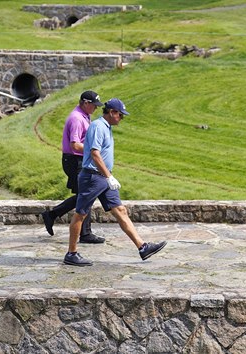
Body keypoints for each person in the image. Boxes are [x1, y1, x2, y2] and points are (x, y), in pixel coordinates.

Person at [63, 98, 167, 266]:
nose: (121, 118)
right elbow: (95, 154)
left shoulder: (107, 127)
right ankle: (71, 253)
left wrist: (108, 176)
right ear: (111, 112)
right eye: (120, 115)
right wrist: (108, 176)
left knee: (120, 210)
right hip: (92, 176)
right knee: (81, 213)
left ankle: (142, 247)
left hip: (102, 176)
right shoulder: (98, 127)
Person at [40, 90, 105, 243]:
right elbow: (75, 145)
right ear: (86, 103)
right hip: (75, 161)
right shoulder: (76, 119)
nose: (95, 108)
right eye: (94, 105)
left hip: (78, 161)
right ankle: (85, 233)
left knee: (85, 195)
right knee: (86, 195)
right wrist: (93, 149)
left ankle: (52, 215)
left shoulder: (84, 115)